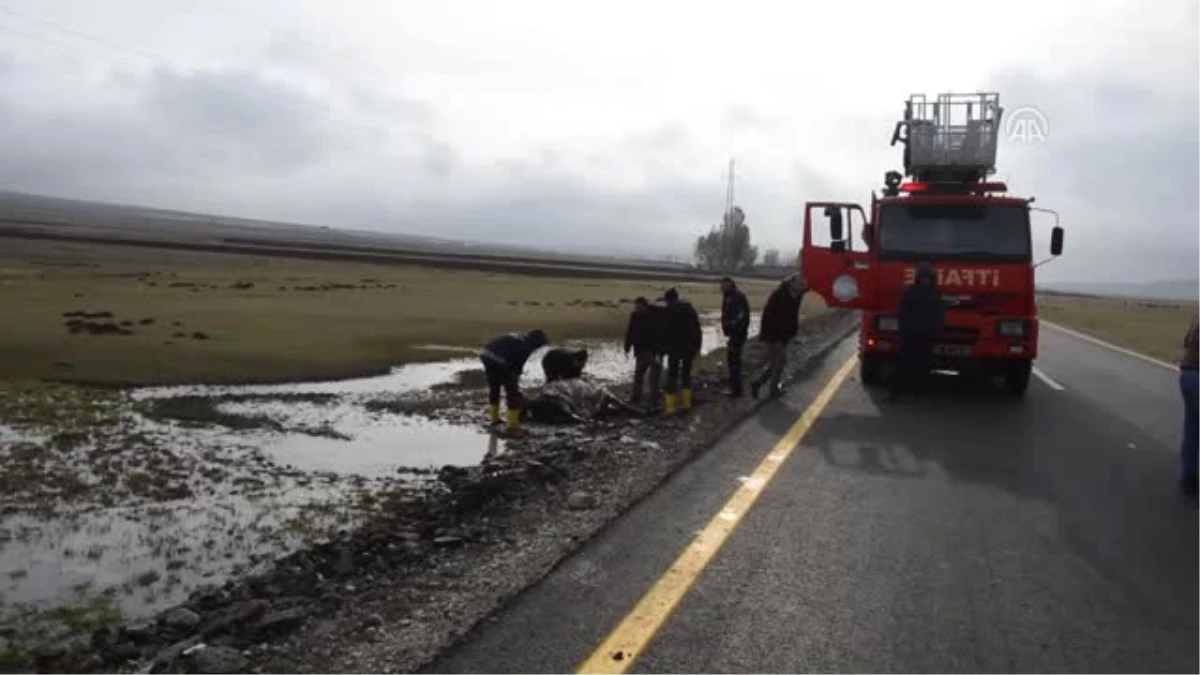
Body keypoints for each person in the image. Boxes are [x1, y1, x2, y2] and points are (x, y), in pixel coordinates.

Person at [889, 262, 944, 401]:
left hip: (925, 334)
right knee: (905, 364)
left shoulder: (934, 293)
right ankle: (895, 393)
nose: (925, 280)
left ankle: (917, 392)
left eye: (928, 277)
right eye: (923, 277)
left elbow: (938, 314)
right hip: (911, 334)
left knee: (922, 365)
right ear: (918, 278)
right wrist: (903, 330)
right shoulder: (911, 292)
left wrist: (936, 330)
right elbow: (903, 314)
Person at [479, 328, 548, 434]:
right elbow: (517, 366)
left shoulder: (521, 337)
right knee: (512, 392)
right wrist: (515, 385)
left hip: (485, 353)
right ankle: (513, 426)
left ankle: (494, 420)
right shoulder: (526, 346)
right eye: (540, 345)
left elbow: (514, 361)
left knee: (495, 387)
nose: (538, 348)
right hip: (498, 358)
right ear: (536, 342)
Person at [751, 274, 808, 399]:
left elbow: (809, 287)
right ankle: (773, 389)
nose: (801, 287)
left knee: (777, 362)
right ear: (791, 283)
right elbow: (769, 317)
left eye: (803, 285)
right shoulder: (779, 295)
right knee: (781, 361)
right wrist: (771, 337)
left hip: (785, 335)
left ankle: (758, 384)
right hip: (774, 335)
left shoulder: (795, 294)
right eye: (799, 284)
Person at [661, 287, 702, 413]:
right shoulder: (690, 309)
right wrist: (697, 346)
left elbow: (665, 330)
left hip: (674, 348)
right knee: (686, 375)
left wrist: (663, 347)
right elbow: (697, 329)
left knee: (672, 376)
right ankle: (686, 405)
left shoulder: (669, 310)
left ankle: (670, 408)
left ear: (668, 299)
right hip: (689, 348)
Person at [624, 297, 664, 410]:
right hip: (640, 350)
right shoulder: (635, 316)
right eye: (636, 307)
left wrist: (661, 350)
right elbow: (630, 331)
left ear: (645, 306)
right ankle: (635, 398)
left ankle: (654, 400)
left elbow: (663, 332)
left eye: (639, 306)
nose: (637, 309)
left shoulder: (656, 315)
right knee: (638, 376)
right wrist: (627, 347)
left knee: (654, 378)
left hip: (654, 351)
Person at [1178, 313, 1200, 496]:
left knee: (1192, 432)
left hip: (1188, 375)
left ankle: (1188, 480)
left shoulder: (1197, 316)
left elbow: (1186, 341)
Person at [720, 276, 751, 397]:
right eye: (721, 284)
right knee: (732, 360)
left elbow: (742, 316)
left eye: (724, 284)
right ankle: (735, 387)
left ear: (730, 284)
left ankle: (736, 389)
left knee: (734, 361)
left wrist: (731, 326)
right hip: (732, 333)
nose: (721, 287)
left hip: (738, 334)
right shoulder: (727, 296)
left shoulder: (738, 297)